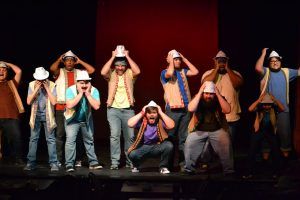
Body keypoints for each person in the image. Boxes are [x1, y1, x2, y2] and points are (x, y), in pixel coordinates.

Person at [50, 50, 95, 167]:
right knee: (60, 134)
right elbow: (52, 68)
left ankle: (77, 159)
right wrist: (59, 60)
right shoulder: (59, 71)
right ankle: (59, 160)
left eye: (71, 60)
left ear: (74, 62)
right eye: (67, 60)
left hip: (77, 107)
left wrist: (80, 61)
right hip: (61, 107)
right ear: (64, 62)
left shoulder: (80, 72)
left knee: (77, 135)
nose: (69, 62)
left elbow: (91, 70)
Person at [101, 45, 141, 170]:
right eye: (118, 65)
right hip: (113, 110)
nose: (120, 68)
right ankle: (115, 162)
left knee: (130, 137)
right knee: (115, 136)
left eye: (122, 65)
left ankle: (130, 161)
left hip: (128, 110)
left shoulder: (129, 73)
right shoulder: (111, 73)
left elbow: (137, 71)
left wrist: (127, 56)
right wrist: (113, 56)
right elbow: (103, 72)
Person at [255, 48, 300, 158]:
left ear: (280, 61)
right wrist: (263, 53)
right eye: (272, 61)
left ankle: (285, 158)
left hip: (283, 109)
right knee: (266, 135)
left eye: (277, 60)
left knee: (285, 135)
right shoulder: (266, 71)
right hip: (267, 109)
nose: (275, 63)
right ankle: (266, 159)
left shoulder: (287, 72)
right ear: (269, 63)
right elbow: (257, 68)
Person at [160, 49, 199, 170]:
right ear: (169, 60)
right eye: (175, 59)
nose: (177, 61)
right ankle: (167, 165)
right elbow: (170, 72)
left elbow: (195, 72)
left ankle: (183, 164)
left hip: (185, 110)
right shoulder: (165, 72)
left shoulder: (183, 71)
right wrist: (171, 59)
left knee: (184, 138)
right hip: (172, 111)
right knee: (170, 138)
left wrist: (185, 59)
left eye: (178, 59)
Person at [184, 81, 234, 175]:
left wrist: (218, 94)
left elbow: (227, 110)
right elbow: (190, 109)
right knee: (189, 143)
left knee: (226, 142)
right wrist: (200, 92)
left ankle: (228, 170)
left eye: (211, 94)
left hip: (217, 129)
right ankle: (189, 169)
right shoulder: (198, 97)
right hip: (198, 130)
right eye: (206, 93)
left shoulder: (219, 98)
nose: (208, 96)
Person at [64, 70, 102, 172]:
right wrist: (81, 93)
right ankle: (69, 164)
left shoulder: (93, 90)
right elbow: (69, 105)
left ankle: (93, 163)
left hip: (86, 119)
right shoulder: (70, 90)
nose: (84, 85)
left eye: (86, 82)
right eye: (81, 82)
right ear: (77, 83)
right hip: (72, 119)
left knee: (89, 140)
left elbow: (96, 106)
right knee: (70, 141)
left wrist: (88, 94)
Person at [202, 50, 243, 142]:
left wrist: (227, 68)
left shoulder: (235, 73)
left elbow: (237, 84)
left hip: (230, 117)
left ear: (227, 61)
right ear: (214, 61)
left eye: (223, 60)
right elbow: (205, 83)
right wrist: (216, 68)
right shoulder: (208, 73)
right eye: (218, 60)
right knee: (211, 145)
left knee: (228, 144)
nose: (221, 62)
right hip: (212, 117)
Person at [24, 67, 59, 171]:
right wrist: (36, 89)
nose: (40, 82)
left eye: (42, 79)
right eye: (39, 80)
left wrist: (47, 88)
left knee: (51, 140)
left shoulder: (52, 85)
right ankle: (31, 163)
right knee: (33, 139)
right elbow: (28, 102)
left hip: (48, 115)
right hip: (35, 116)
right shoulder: (31, 84)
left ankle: (53, 163)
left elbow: (54, 102)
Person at [243, 93, 284, 179]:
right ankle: (249, 172)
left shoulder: (274, 108)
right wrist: (259, 100)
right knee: (252, 150)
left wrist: (274, 99)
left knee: (276, 151)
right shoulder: (259, 108)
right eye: (265, 105)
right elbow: (250, 109)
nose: (267, 107)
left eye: (268, 105)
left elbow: (283, 108)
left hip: (270, 132)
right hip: (259, 131)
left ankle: (277, 172)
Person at [127, 101, 175, 174]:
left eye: (154, 112)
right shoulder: (142, 122)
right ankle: (136, 166)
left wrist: (161, 112)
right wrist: (142, 112)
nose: (151, 114)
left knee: (169, 145)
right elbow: (130, 124)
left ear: (157, 114)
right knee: (132, 154)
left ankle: (163, 167)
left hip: (157, 147)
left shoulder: (160, 121)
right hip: (143, 147)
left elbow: (171, 125)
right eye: (149, 113)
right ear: (146, 114)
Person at [0, 61, 24, 165]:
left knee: (15, 138)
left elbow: (19, 71)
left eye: (4, 69)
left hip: (11, 116)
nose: (1, 71)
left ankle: (17, 158)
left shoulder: (11, 82)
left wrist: (5, 63)